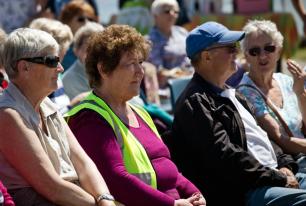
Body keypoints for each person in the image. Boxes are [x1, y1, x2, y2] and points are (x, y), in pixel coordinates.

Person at [168, 21, 306, 206]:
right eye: (229, 48)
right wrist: (277, 177)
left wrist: (285, 165)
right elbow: (226, 158)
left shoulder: (233, 94)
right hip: (247, 190)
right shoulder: (195, 102)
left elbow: (263, 138)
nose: (236, 52)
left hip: (271, 177)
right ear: (207, 56)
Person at [65, 24, 206, 206]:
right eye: (131, 64)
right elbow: (115, 180)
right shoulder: (89, 118)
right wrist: (172, 204)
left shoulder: (139, 112)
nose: (140, 72)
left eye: (140, 62)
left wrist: (194, 193)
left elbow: (167, 168)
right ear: (103, 69)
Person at [0, 28, 115, 206]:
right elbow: (51, 186)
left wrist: (105, 198)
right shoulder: (8, 114)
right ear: (24, 67)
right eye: (51, 61)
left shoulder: (46, 104)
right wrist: (96, 204)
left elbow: (83, 163)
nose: (60, 68)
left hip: (72, 197)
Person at [236, 19, 306, 169]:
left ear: (279, 51)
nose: (262, 56)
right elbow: (282, 141)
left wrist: (300, 93)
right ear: (246, 56)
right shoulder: (246, 92)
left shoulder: (286, 81)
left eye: (269, 48)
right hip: (294, 165)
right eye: (254, 51)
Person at [29, 17, 73, 114]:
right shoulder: (43, 77)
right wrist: (75, 103)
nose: (60, 68)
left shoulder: (57, 74)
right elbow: (55, 114)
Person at [147, 0, 192, 87]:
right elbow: (159, 72)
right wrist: (180, 74)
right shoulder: (151, 40)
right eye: (167, 11)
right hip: (169, 88)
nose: (172, 14)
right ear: (155, 16)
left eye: (176, 11)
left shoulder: (182, 32)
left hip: (190, 81)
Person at [62, 22, 104, 100]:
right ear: (77, 50)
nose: (94, 53)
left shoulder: (110, 70)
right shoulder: (70, 79)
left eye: (99, 48)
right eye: (88, 48)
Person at [59, 0, 98, 70]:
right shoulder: (60, 49)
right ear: (67, 21)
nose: (87, 22)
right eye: (81, 19)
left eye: (91, 19)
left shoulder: (97, 48)